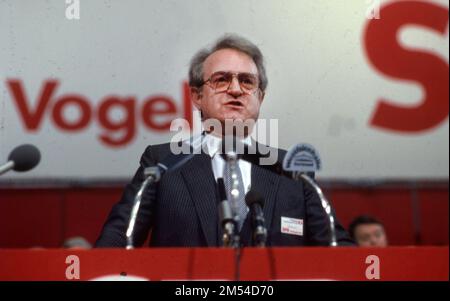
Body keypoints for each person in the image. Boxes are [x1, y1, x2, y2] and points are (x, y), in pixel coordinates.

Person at [96, 34, 353, 248]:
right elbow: (118, 239)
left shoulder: (293, 169)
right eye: (221, 80)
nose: (235, 89)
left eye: (246, 81)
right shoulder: (163, 162)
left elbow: (336, 246)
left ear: (260, 98)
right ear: (197, 96)